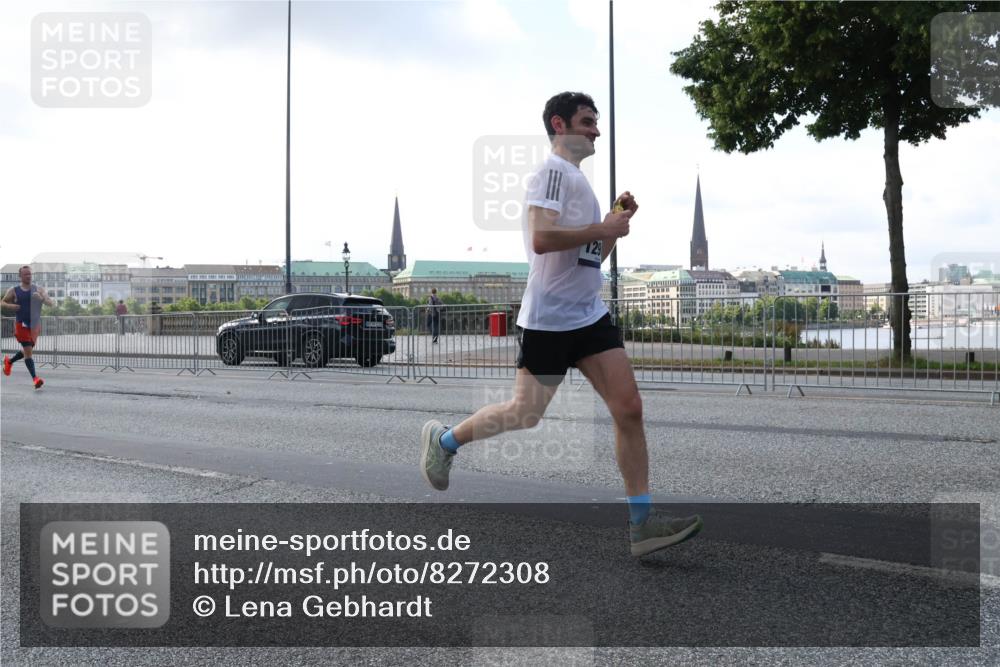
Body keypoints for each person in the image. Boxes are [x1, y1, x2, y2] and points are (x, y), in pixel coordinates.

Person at [420, 92, 702, 557]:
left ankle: (642, 524)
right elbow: (542, 237)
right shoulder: (551, 171)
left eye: (595, 122)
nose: (596, 130)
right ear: (559, 124)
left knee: (629, 408)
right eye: (587, 121)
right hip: (549, 320)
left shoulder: (576, 181)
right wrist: (603, 227)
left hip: (588, 315)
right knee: (524, 414)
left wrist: (612, 223)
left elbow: (589, 258)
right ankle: (445, 440)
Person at [2, 265, 54, 389]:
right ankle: (35, 379)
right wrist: (10, 306)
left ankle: (9, 361)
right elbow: (2, 302)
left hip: (34, 326)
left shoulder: (39, 289)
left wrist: (41, 298)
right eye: (26, 274)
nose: (28, 276)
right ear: (20, 276)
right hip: (21, 324)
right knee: (28, 352)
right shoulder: (14, 290)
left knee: (27, 350)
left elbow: (51, 303)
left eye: (30, 274)